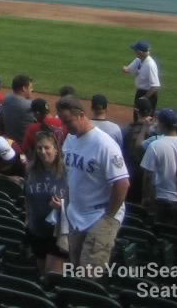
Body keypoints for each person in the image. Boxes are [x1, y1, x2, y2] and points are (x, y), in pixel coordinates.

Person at [58, 94, 129, 276]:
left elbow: (122, 184)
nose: (65, 126)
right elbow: (68, 172)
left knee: (89, 275)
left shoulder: (104, 145)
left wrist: (108, 217)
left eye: (68, 121)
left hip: (99, 217)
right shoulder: (70, 139)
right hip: (77, 216)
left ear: (81, 115)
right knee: (75, 269)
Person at [23, 130, 70, 275]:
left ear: (56, 149)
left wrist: (62, 206)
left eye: (47, 147)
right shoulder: (31, 170)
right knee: (43, 273)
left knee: (53, 276)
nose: (43, 152)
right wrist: (27, 220)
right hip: (37, 230)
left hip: (58, 233)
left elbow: (79, 201)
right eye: (39, 148)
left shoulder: (67, 171)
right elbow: (27, 197)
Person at [141, 108, 177, 225]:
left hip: (162, 199)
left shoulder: (155, 145)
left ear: (162, 124)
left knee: (162, 233)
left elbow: (148, 176)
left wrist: (146, 197)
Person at [125, 40, 161, 111]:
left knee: (146, 118)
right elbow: (128, 70)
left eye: (135, 50)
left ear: (140, 52)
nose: (134, 52)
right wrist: (128, 70)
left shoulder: (150, 65)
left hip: (149, 95)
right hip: (140, 92)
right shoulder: (139, 59)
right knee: (137, 116)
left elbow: (155, 86)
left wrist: (144, 98)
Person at [2, 74, 36, 144]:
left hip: (9, 142)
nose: (32, 90)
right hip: (23, 145)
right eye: (30, 87)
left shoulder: (7, 98)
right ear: (23, 88)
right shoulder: (29, 106)